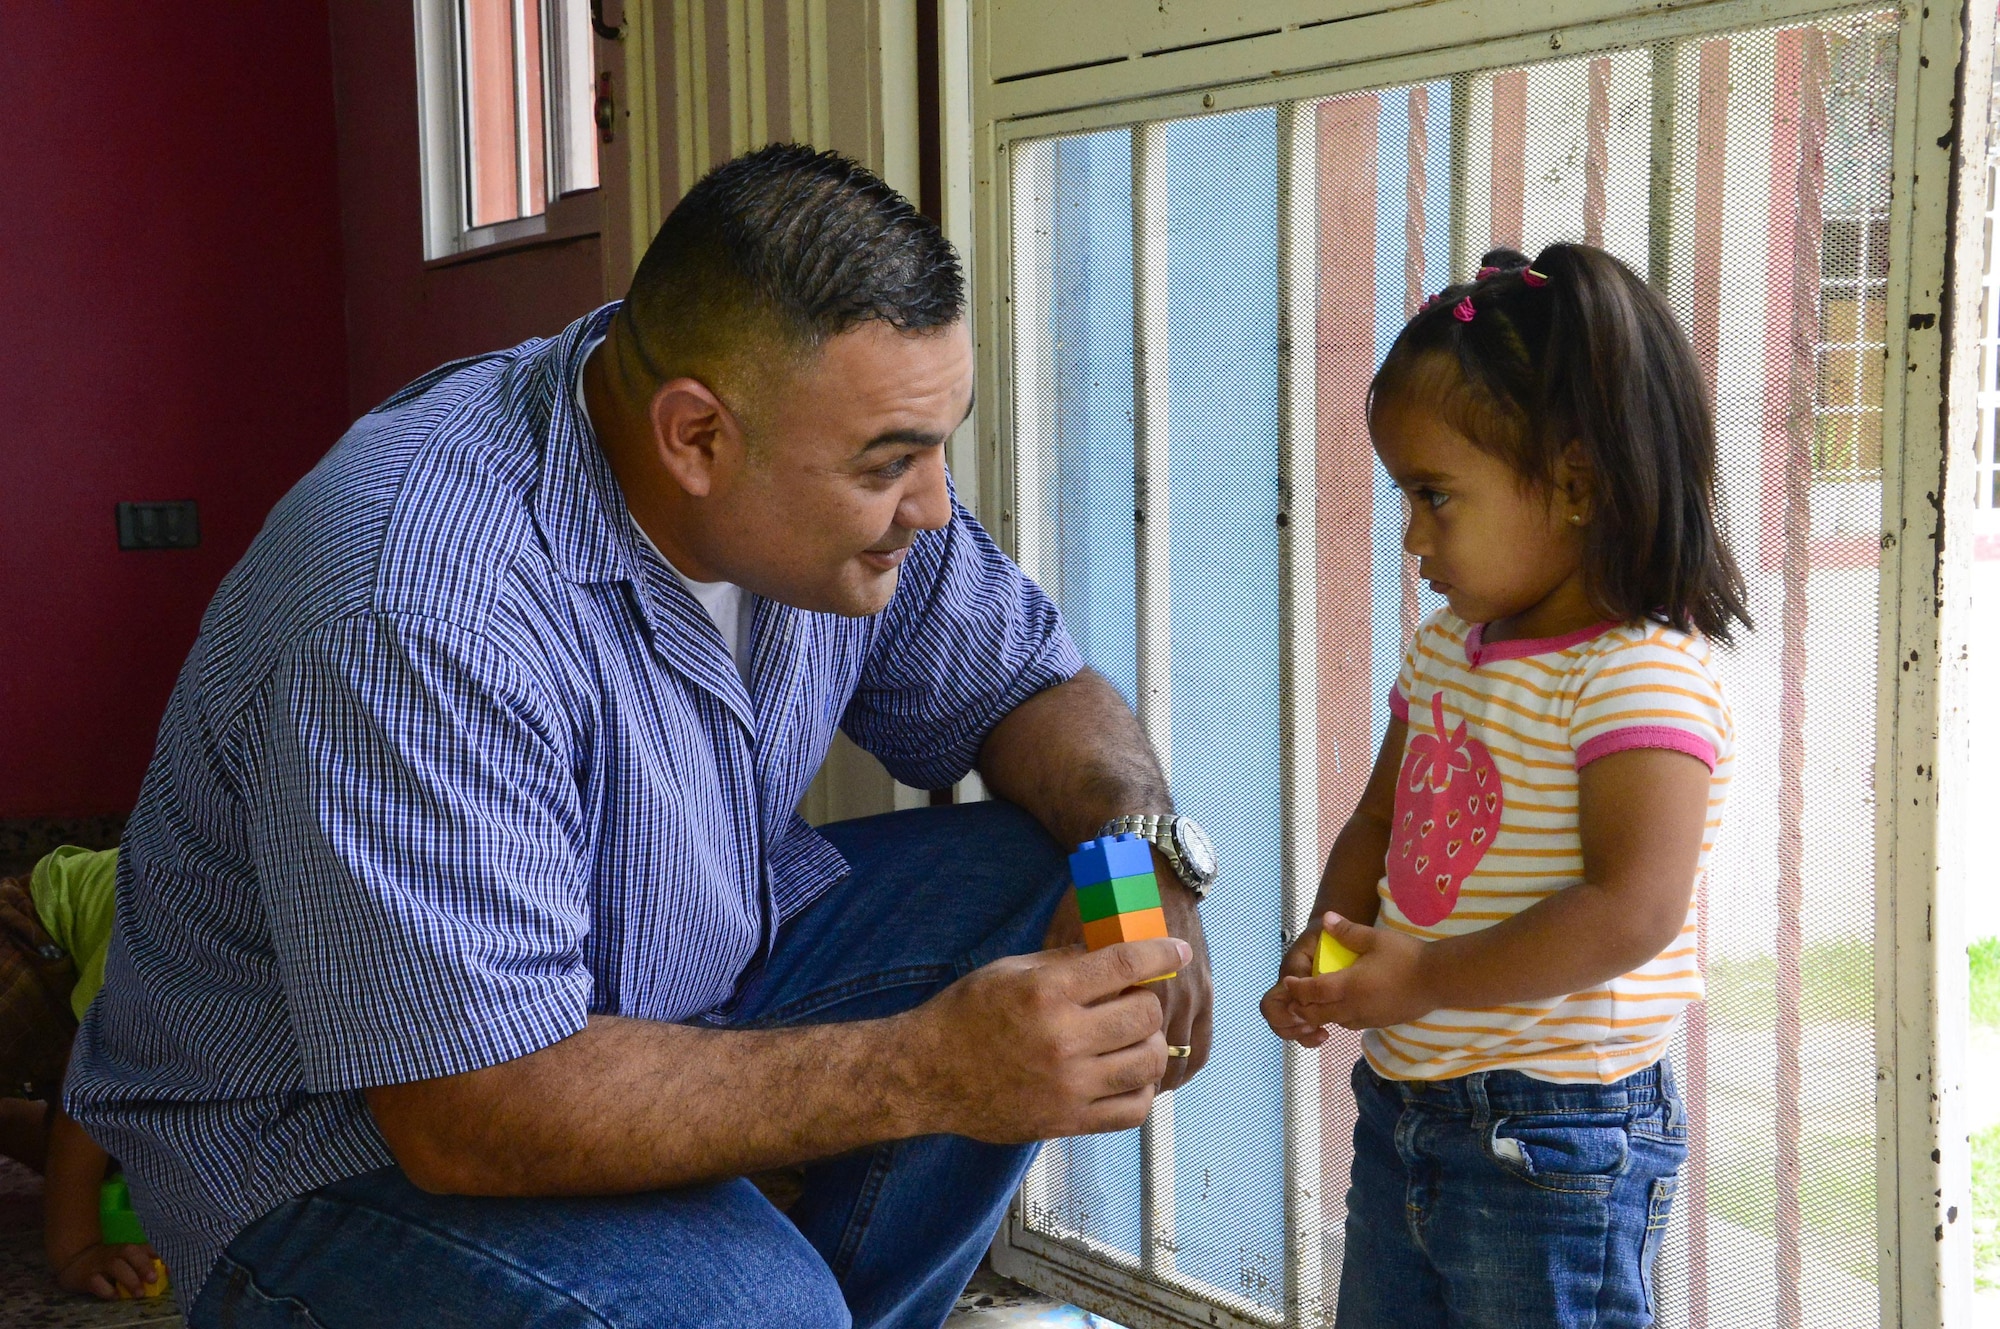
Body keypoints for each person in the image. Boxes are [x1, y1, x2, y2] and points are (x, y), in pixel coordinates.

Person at [65, 145, 1220, 1329]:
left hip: (647, 993)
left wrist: (1142, 857)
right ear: (695, 438)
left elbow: (1024, 686)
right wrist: (932, 1067)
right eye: (889, 465)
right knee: (755, 1312)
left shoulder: (807, 462)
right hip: (334, 1149)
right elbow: (471, 1109)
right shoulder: (417, 606)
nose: (930, 505)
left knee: (1047, 877)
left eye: (936, 445)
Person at [1261, 243, 1750, 1327]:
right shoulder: (1449, 648)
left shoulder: (1637, 676)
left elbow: (1630, 911)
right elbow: (1381, 817)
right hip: (1405, 1108)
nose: (1411, 537)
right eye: (1404, 496)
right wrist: (1331, 933)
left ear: (1573, 482)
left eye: (1435, 496)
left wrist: (1423, 975)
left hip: (1554, 1138)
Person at [0, 846, 166, 1299]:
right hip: (36, 935)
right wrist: (78, 1248)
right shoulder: (178, 917)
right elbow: (95, 1082)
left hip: (89, 984)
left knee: (125, 1173)